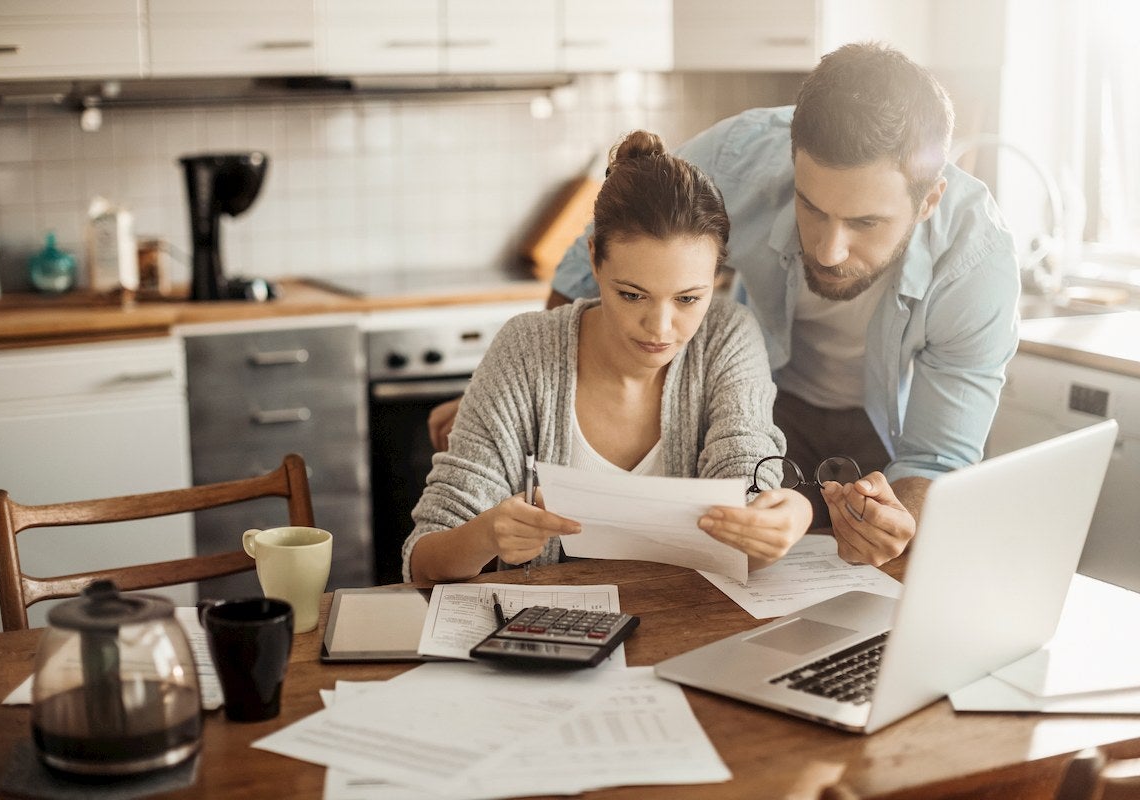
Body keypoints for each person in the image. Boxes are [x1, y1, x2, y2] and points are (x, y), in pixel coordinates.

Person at [430, 42, 1020, 568]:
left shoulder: (977, 265)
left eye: (865, 222)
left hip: (881, 438)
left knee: (861, 575)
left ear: (928, 199)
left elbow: (937, 456)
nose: (828, 248)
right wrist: (519, 387)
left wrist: (901, 522)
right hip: (762, 399)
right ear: (792, 163)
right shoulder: (739, 155)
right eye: (812, 207)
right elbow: (598, 257)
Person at [404, 131, 812, 583]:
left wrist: (786, 516)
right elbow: (424, 562)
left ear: (716, 277)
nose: (659, 328)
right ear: (595, 259)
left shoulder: (726, 338)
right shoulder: (526, 349)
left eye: (687, 299)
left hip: (686, 629)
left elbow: (746, 494)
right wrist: (485, 536)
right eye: (633, 294)